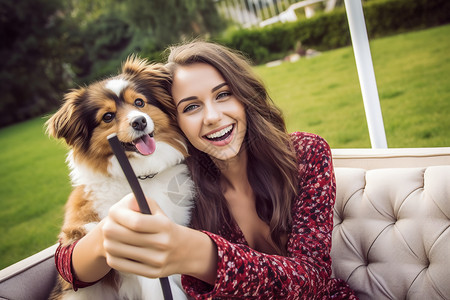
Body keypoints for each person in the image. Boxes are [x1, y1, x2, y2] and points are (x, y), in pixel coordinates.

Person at [55, 41, 357, 299]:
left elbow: (312, 278)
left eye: (223, 94)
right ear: (175, 117)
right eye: (191, 107)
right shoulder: (180, 177)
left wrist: (204, 254)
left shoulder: (305, 154)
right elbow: (66, 264)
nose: (212, 117)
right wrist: (104, 238)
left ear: (245, 95)